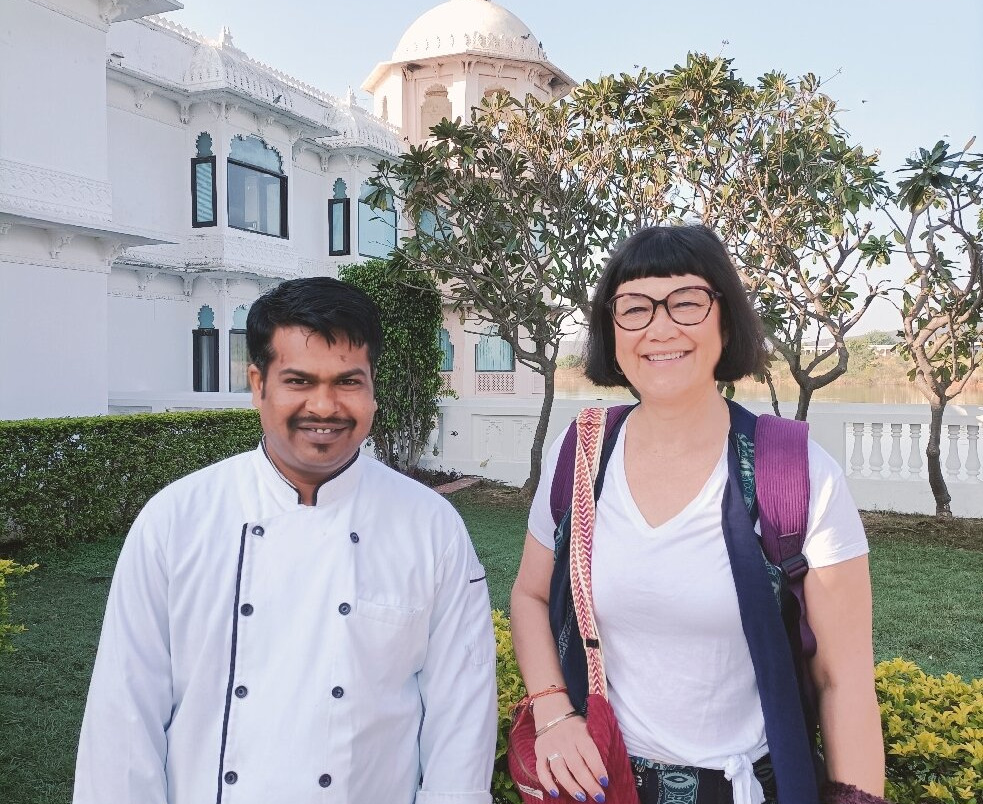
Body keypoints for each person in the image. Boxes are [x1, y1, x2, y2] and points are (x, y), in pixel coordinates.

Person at [74, 277, 497, 804]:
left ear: (372, 386)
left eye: (348, 381)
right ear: (258, 384)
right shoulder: (176, 521)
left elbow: (461, 713)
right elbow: (124, 715)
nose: (324, 407)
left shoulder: (432, 528)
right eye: (298, 381)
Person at [510, 226, 885, 804]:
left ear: (725, 321)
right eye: (634, 307)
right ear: (612, 332)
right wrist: (554, 713)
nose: (660, 328)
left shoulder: (797, 470)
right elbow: (531, 596)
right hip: (604, 785)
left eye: (686, 302)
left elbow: (846, 678)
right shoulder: (581, 454)